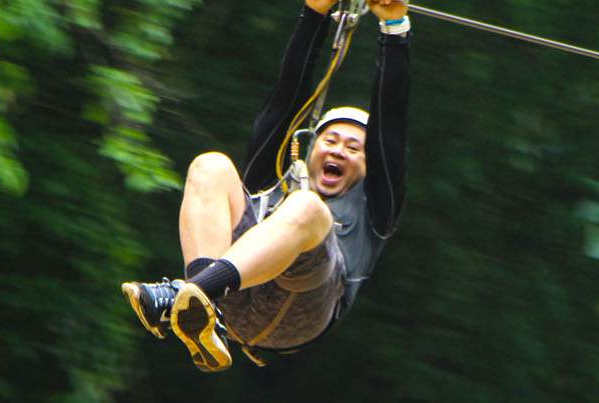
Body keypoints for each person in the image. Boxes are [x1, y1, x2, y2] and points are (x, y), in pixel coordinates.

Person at [121, 0, 411, 372]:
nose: (339, 149)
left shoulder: (374, 206)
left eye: (354, 148)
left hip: (303, 309)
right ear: (309, 149)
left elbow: (392, 123)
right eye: (330, 140)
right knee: (210, 166)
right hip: (235, 299)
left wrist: (395, 29)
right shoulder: (275, 176)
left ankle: (191, 292)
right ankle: (200, 306)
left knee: (307, 208)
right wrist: (315, 11)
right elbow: (287, 94)